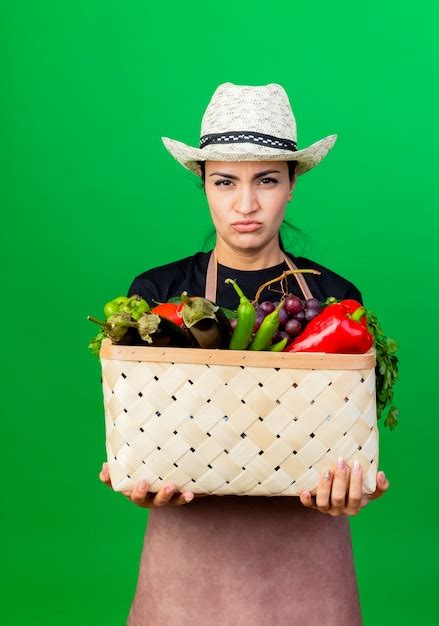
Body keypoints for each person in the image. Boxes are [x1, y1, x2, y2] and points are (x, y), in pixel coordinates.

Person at [99, 82, 390, 625]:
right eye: (226, 181)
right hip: (187, 554)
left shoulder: (335, 298)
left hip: (308, 555)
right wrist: (135, 474)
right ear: (203, 183)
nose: (246, 204)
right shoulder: (159, 290)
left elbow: (350, 431)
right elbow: (139, 423)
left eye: (267, 181)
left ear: (292, 184)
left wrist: (354, 488)